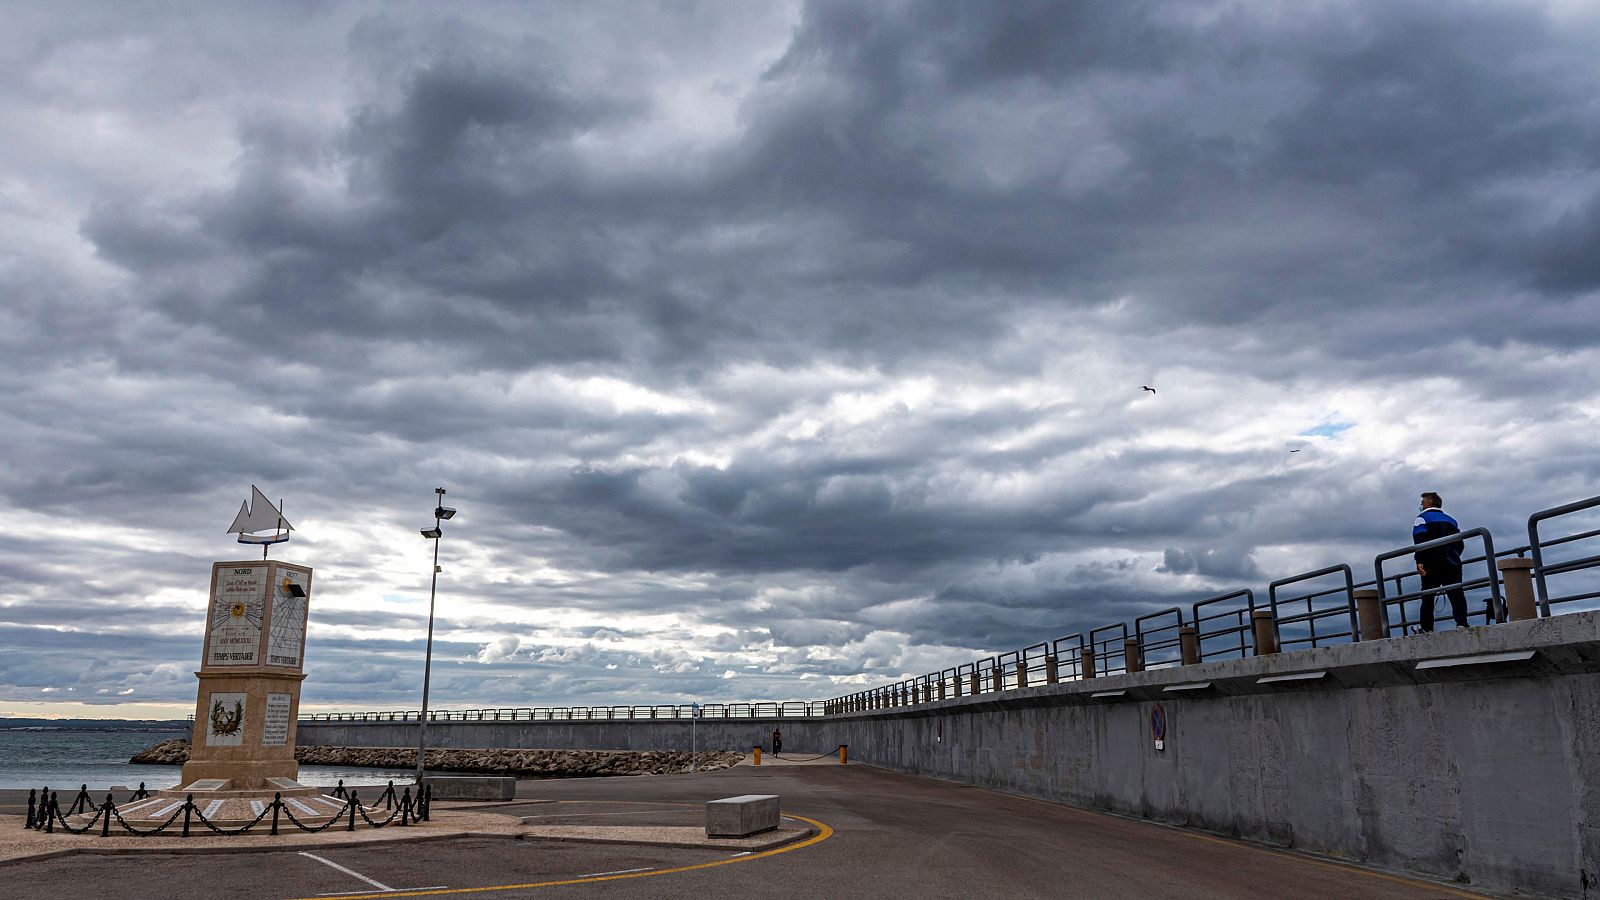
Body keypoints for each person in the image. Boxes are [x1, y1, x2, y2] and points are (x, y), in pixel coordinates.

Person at [1413, 492, 1469, 631]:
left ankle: (1427, 628)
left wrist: (1419, 560)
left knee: (1428, 596)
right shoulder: (1451, 520)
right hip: (1452, 563)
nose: (1421, 505)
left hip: (1430, 564)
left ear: (1429, 503)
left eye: (1422, 502)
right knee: (1457, 594)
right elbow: (1460, 543)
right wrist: (1454, 555)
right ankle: (1462, 623)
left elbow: (1420, 540)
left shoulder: (1421, 518)